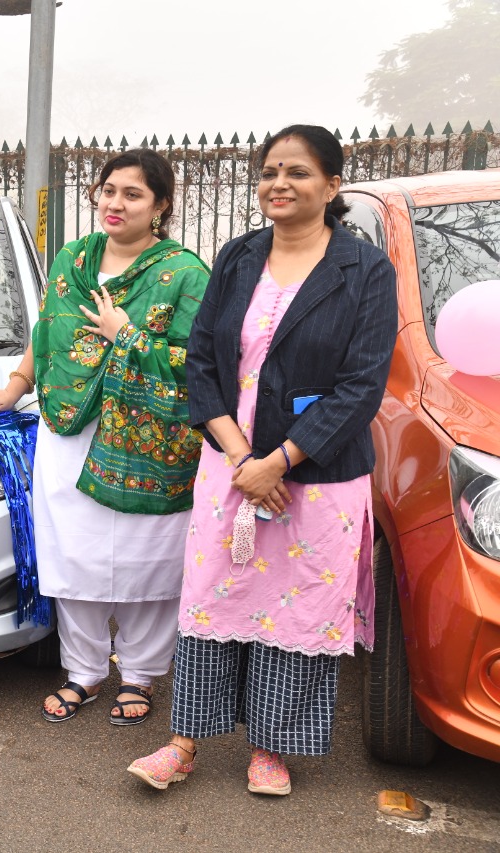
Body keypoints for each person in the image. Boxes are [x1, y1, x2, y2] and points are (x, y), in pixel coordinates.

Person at [128, 125, 398, 795]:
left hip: (319, 473)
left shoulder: (364, 270)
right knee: (214, 593)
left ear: (332, 185)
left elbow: (361, 386)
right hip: (231, 459)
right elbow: (201, 362)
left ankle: (271, 748)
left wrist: (281, 461)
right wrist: (244, 456)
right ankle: (184, 741)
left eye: (299, 172)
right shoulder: (238, 255)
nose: (280, 182)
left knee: (297, 603)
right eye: (271, 170)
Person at [0, 149, 210, 726]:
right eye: (109, 190)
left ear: (161, 205)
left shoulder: (186, 273)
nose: (115, 203)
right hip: (68, 429)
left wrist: (125, 338)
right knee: (75, 556)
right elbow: (47, 330)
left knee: (147, 559)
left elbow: (200, 362)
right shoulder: (74, 258)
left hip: (146, 440)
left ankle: (143, 676)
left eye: (133, 194)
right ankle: (85, 673)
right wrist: (16, 385)